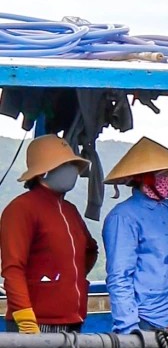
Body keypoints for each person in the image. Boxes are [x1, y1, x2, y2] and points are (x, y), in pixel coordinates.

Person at [102, 138, 168, 334]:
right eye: (166, 175)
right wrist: (129, 329)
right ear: (146, 178)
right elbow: (119, 276)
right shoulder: (123, 217)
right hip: (146, 321)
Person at [2, 136, 97, 337]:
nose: (71, 170)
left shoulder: (70, 210)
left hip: (73, 320)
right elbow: (12, 268)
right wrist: (26, 319)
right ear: (43, 172)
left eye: (72, 164)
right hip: (37, 321)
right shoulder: (21, 209)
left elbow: (90, 250)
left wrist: (70, 279)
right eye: (65, 164)